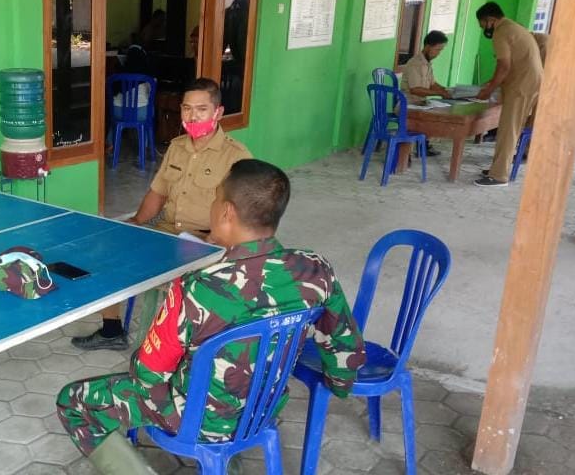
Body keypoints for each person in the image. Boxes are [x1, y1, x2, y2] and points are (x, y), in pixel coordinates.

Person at [56, 159, 366, 475]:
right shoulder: (315, 269)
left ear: (226, 212)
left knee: (73, 401)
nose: (213, 206)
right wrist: (340, 384)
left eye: (215, 198)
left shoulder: (197, 287)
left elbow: (148, 375)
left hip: (194, 420)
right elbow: (347, 351)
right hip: (263, 410)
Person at [72, 78, 252, 350]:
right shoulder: (177, 146)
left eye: (201, 109)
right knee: (107, 250)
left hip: (208, 241)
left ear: (218, 112)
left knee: (194, 288)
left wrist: (220, 240)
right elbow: (158, 192)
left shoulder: (236, 157)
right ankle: (112, 331)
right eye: (187, 108)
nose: (192, 116)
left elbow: (245, 213)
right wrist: (135, 222)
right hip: (168, 232)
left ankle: (181, 348)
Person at [474, 2, 543, 187]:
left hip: (521, 85)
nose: (484, 29)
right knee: (512, 128)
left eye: (483, 25)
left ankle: (499, 176)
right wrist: (492, 82)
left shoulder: (501, 32)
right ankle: (498, 168)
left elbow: (504, 65)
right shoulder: (514, 27)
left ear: (490, 20)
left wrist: (489, 89)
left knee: (508, 129)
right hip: (530, 82)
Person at [400, 30, 452, 157]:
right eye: (437, 49)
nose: (438, 53)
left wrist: (445, 90)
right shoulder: (415, 64)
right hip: (408, 105)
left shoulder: (427, 63)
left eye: (441, 50)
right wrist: (439, 93)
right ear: (428, 46)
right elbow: (415, 90)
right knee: (433, 115)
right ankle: (411, 149)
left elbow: (432, 83)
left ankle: (424, 144)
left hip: (420, 103)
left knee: (443, 110)